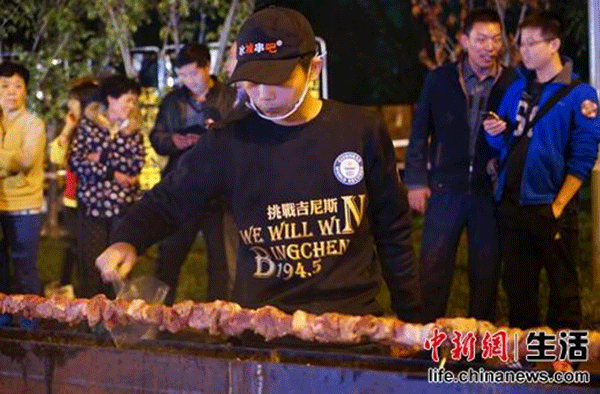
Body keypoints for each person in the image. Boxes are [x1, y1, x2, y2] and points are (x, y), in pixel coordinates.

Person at [96, 6, 421, 321]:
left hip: (349, 318)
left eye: (276, 80)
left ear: (314, 69)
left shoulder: (360, 130)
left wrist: (412, 318)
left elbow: (392, 228)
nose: (263, 94)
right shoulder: (230, 140)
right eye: (252, 81)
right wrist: (128, 239)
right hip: (263, 322)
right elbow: (171, 198)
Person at [483, 11, 599, 330]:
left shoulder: (580, 95)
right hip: (512, 205)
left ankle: (566, 359)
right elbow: (500, 143)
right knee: (519, 290)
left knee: (563, 289)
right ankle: (527, 360)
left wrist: (559, 204)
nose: (525, 50)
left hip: (551, 205)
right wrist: (494, 132)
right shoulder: (517, 88)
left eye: (532, 43)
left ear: (555, 44)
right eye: (522, 44)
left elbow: (584, 155)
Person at [404, 9, 517, 324]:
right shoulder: (440, 79)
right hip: (444, 188)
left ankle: (478, 352)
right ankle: (427, 346)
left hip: (488, 192)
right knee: (433, 270)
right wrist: (415, 181)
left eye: (496, 39)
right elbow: (419, 132)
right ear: (465, 40)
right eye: (481, 39)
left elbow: (520, 136)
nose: (489, 47)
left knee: (486, 272)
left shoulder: (511, 82)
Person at [149, 43, 239, 305]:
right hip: (182, 187)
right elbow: (157, 136)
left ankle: (218, 319)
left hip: (218, 192)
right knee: (169, 256)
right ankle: (160, 316)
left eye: (193, 73)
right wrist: (175, 141)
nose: (188, 80)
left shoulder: (229, 96)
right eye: (183, 75)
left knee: (221, 261)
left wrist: (217, 132)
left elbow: (240, 135)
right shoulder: (173, 101)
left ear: (207, 68)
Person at [70, 74, 144, 298]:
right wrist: (112, 171)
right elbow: (76, 162)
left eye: (134, 101)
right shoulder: (88, 126)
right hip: (94, 208)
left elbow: (135, 166)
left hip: (124, 209)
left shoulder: (133, 131)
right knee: (93, 267)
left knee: (120, 268)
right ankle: (92, 323)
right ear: (111, 98)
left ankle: (118, 321)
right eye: (127, 100)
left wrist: (99, 157)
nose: (131, 106)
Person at [0, 61, 46, 327]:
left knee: (25, 270)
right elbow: (13, 161)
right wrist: (9, 161)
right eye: (5, 86)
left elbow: (26, 161)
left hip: (24, 208)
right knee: (1, 271)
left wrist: (9, 162)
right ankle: (4, 327)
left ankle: (33, 328)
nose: (11, 92)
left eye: (18, 86)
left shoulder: (34, 124)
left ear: (26, 91)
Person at [47, 78, 100, 298]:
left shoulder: (98, 130)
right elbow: (55, 157)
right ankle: (72, 289)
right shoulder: (72, 130)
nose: (70, 106)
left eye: (73, 102)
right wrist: (68, 128)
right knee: (75, 247)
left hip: (93, 201)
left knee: (86, 252)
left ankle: (86, 294)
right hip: (72, 199)